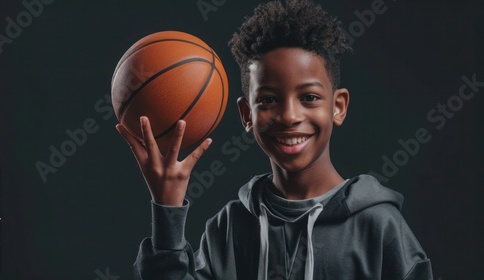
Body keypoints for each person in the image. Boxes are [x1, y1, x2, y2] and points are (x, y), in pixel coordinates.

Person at [115, 0, 433, 279]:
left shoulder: (380, 227)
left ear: (338, 107)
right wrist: (167, 208)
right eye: (268, 100)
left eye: (309, 97)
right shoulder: (229, 228)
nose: (289, 116)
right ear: (246, 115)